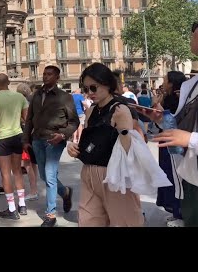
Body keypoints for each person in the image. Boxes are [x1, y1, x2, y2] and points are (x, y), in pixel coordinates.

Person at [67, 63, 144, 227]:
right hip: (89, 173)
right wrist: (74, 148)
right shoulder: (91, 110)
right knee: (88, 221)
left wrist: (124, 132)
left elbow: (130, 150)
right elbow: (88, 141)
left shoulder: (120, 109)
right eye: (86, 89)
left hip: (114, 174)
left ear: (107, 84)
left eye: (93, 88)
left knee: (124, 222)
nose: (89, 93)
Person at [150, 23, 198, 227]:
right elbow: (183, 123)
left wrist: (190, 139)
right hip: (191, 175)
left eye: (194, 34)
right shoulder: (191, 85)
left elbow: (189, 134)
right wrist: (161, 119)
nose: (191, 38)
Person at [23, 66, 78, 227]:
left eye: (49, 74)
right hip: (37, 140)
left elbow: (74, 121)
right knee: (44, 175)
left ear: (57, 77)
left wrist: (62, 134)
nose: (45, 77)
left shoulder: (64, 97)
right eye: (44, 74)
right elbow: (29, 119)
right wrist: (26, 139)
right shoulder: (36, 95)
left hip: (55, 140)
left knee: (50, 175)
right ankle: (65, 192)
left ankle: (50, 214)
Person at [0, 73, 29, 220]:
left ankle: (12, 209)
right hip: (17, 136)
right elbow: (26, 119)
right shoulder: (20, 97)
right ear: (8, 82)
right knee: (17, 171)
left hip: (2, 138)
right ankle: (22, 205)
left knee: (6, 174)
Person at [155, 71, 186, 227]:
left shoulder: (178, 99)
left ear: (172, 83)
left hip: (176, 145)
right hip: (167, 143)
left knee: (177, 178)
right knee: (169, 176)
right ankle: (175, 212)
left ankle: (181, 214)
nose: (163, 82)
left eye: (165, 80)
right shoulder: (167, 97)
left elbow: (173, 122)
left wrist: (159, 109)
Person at [16, 83, 39, 201]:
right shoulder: (32, 103)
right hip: (33, 136)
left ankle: (33, 190)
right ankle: (35, 189)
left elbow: (25, 121)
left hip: (26, 136)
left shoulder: (22, 104)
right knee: (33, 164)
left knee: (27, 164)